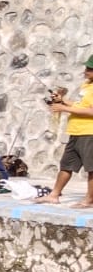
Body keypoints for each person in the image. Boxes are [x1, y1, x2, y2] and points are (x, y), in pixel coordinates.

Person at [45, 58, 93, 206]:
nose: (86, 71)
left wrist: (64, 109)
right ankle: (54, 194)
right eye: (86, 68)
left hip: (89, 132)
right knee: (66, 164)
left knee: (91, 168)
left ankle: (89, 199)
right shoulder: (86, 86)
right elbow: (80, 105)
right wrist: (64, 101)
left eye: (89, 69)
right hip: (75, 131)